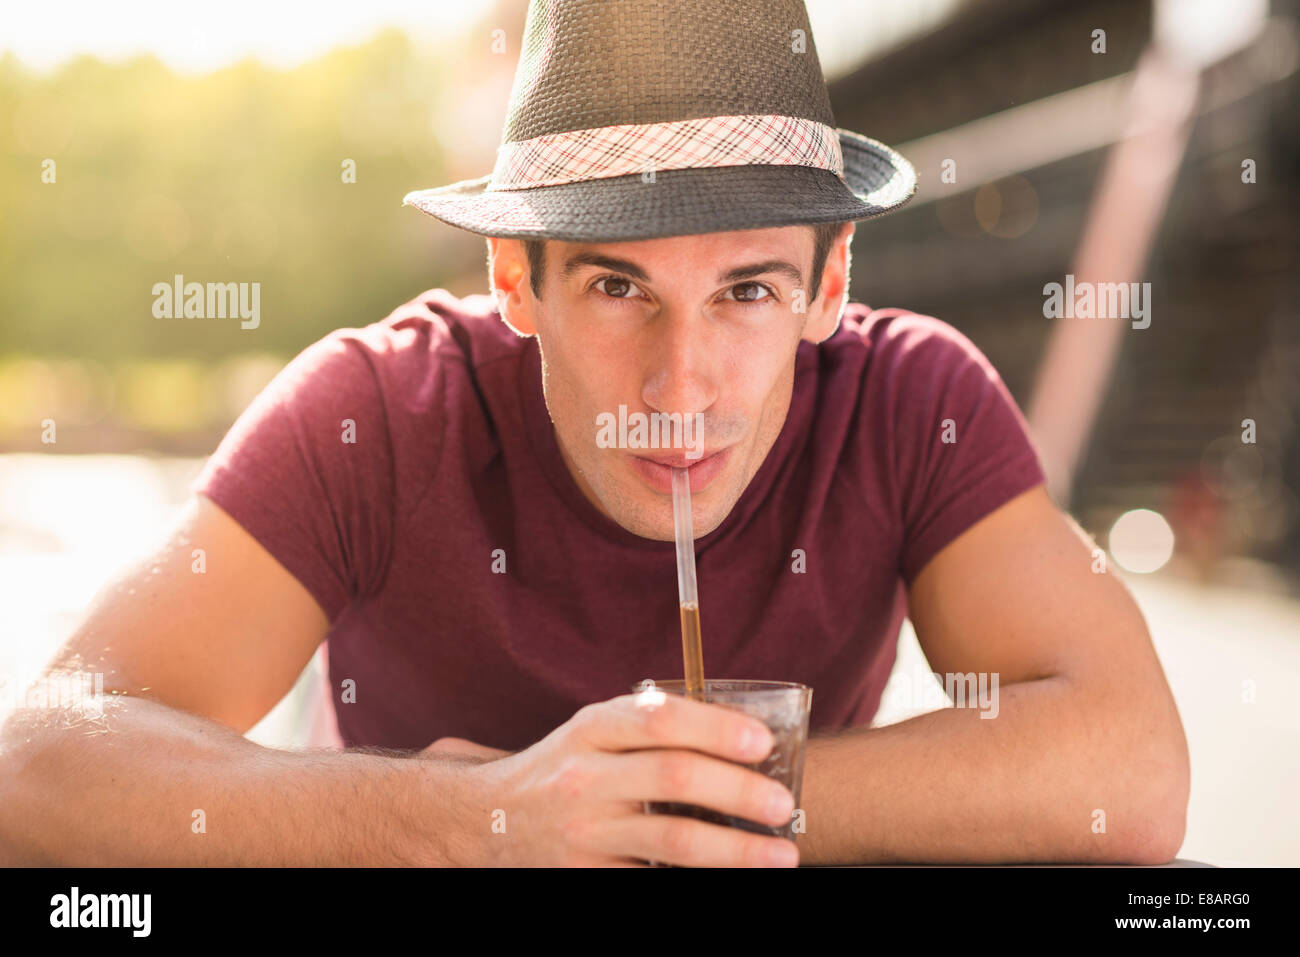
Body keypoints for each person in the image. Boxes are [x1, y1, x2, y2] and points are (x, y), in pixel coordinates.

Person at [0, 0, 1188, 867]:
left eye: (748, 292)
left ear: (830, 286)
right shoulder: (377, 410)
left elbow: (1129, 771)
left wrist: (685, 796)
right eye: (618, 290)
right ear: (514, 280)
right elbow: (38, 770)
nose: (677, 388)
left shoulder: (909, 400)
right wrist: (481, 820)